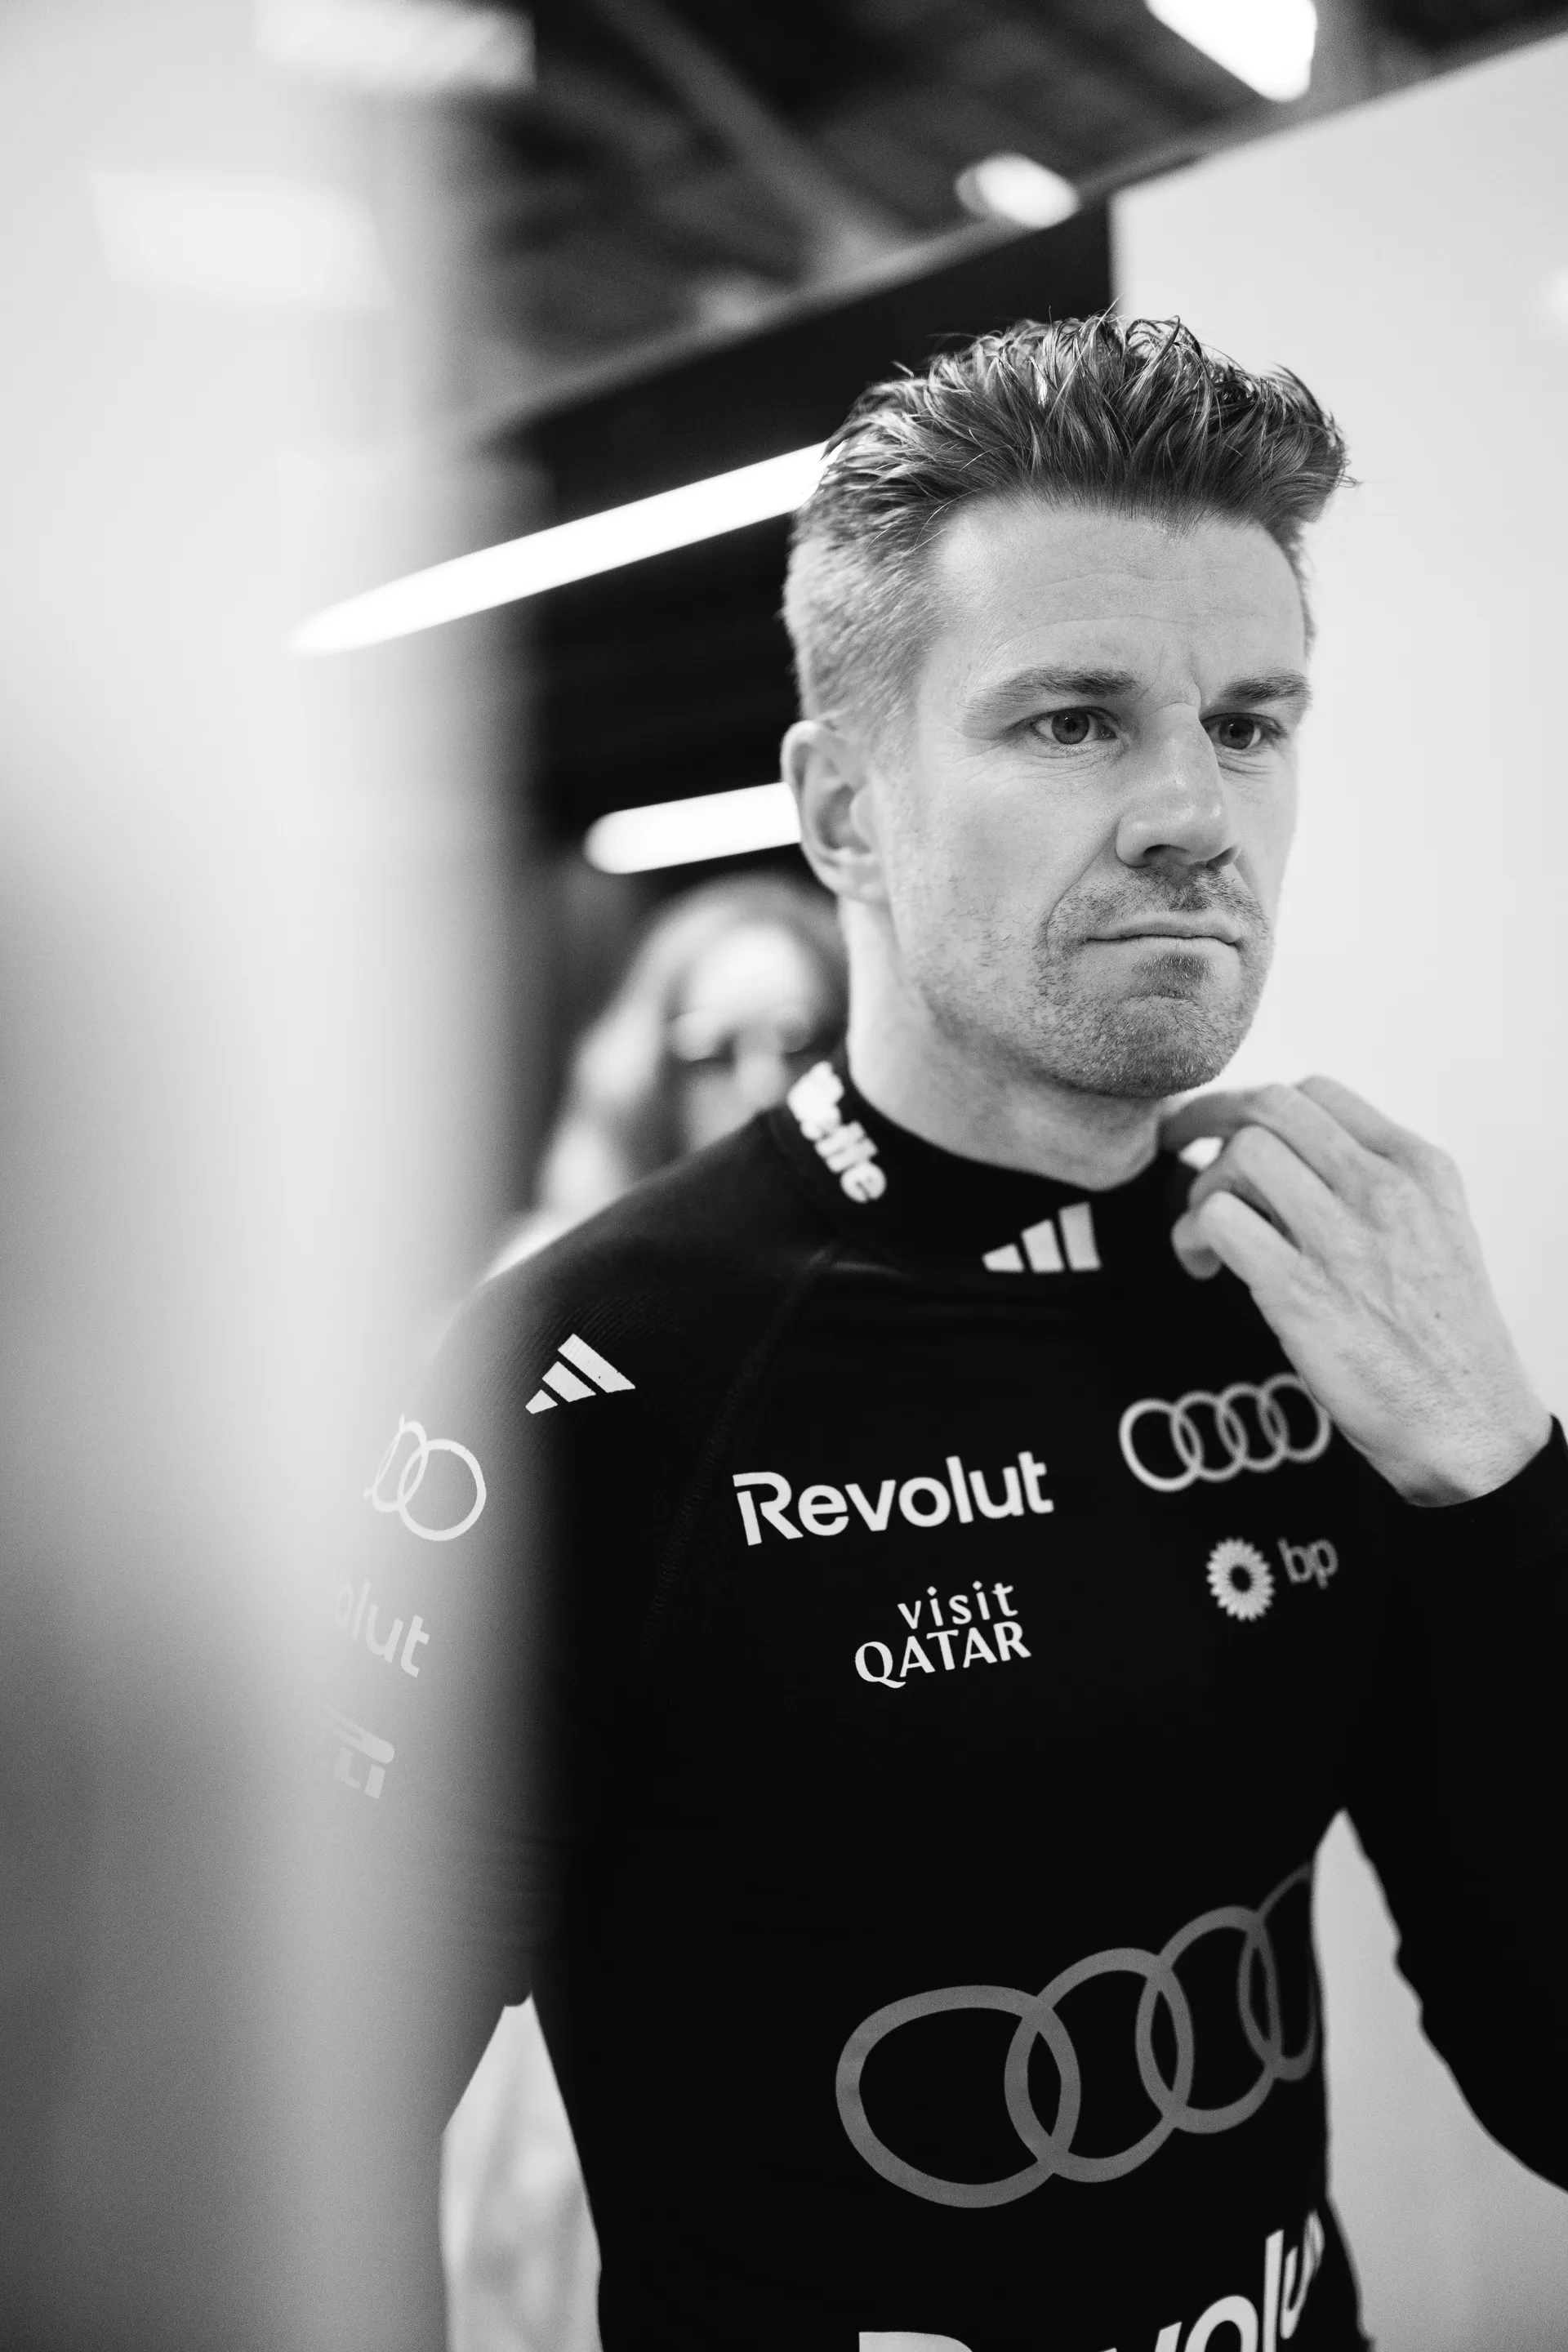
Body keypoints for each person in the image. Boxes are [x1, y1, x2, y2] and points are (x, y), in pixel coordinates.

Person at [336, 316, 1567, 2352]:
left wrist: (1503, 1487)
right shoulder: (597, 1370)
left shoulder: (1330, 1293)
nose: (1195, 811)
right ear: (840, 809)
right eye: (1074, 720)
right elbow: (291, 2174)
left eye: (1250, 721)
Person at [446, 875, 846, 2352]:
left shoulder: (882, 1328)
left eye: (800, 1043)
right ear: (643, 1066)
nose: (759, 1085)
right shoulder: (534, 1314)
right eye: (711, 1045)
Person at [485, 875, 848, 1276]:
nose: (763, 1090)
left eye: (803, 1045)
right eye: (711, 1054)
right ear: (648, 1082)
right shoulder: (555, 1275)